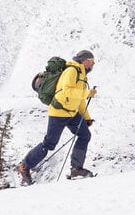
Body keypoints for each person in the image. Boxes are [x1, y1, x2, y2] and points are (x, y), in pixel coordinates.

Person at [18, 50, 97, 184]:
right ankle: (25, 166)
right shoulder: (71, 71)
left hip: (72, 113)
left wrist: (87, 118)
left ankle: (76, 169)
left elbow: (79, 100)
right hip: (58, 112)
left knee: (85, 135)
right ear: (85, 61)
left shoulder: (82, 75)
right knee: (49, 144)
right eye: (92, 62)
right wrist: (87, 93)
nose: (93, 65)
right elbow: (65, 91)